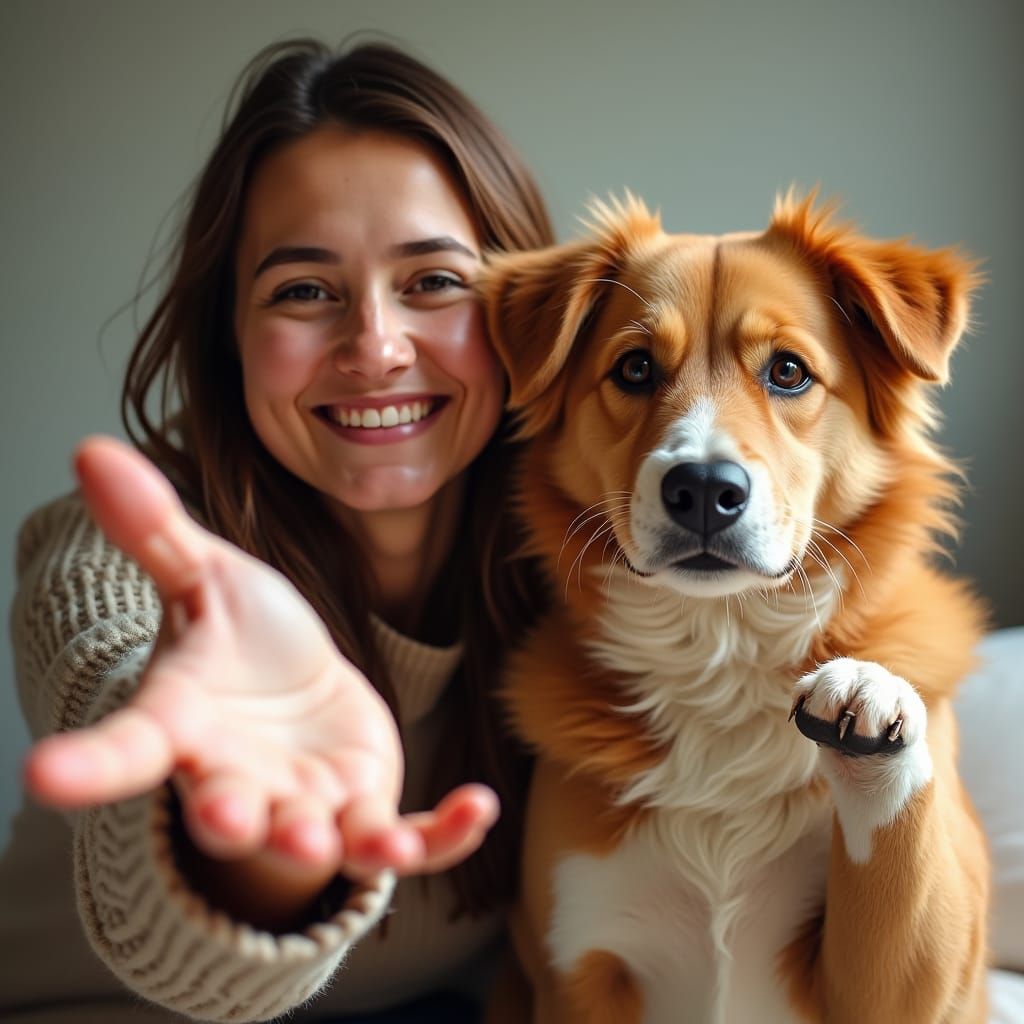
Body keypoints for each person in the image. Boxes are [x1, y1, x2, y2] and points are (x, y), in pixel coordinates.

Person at [0, 37, 554, 1023]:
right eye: (304, 290)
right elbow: (105, 670)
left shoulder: (574, 563)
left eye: (433, 281)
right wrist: (240, 828)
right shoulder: (124, 546)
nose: (376, 347)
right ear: (231, 338)